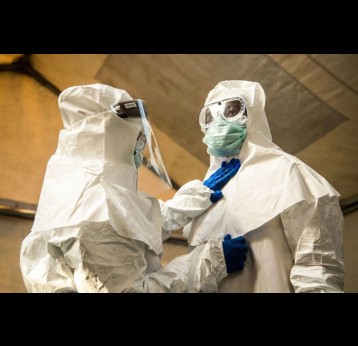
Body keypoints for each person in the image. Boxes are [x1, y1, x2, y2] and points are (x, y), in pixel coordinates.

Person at [20, 83, 247, 293]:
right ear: (114, 134)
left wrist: (194, 197)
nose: (141, 147)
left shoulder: (78, 185)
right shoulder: (94, 214)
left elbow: (130, 226)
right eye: (137, 138)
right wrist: (209, 263)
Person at [183, 80, 344, 293]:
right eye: (210, 116)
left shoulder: (289, 174)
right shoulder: (205, 196)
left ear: (253, 115)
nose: (219, 122)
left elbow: (317, 265)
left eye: (231, 110)